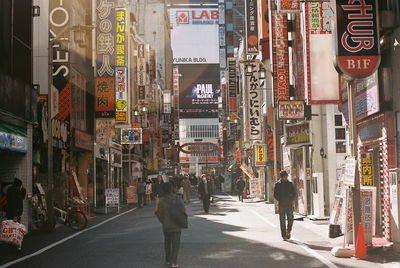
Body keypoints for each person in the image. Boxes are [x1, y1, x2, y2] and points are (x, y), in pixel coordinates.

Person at [155, 182, 186, 268]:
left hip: (166, 225)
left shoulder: (161, 200)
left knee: (167, 243)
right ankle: (174, 262)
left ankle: (168, 260)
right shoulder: (178, 198)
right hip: (177, 224)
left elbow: (159, 214)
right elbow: (183, 210)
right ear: (172, 188)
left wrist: (164, 221)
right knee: (176, 244)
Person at [273, 171, 296, 240]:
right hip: (281, 205)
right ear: (281, 177)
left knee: (291, 219)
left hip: (289, 204)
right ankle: (284, 235)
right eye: (285, 177)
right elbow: (275, 194)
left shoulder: (290, 184)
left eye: (286, 176)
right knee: (282, 220)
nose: (286, 178)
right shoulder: (277, 184)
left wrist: (291, 199)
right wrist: (280, 199)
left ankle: (288, 231)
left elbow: (294, 193)